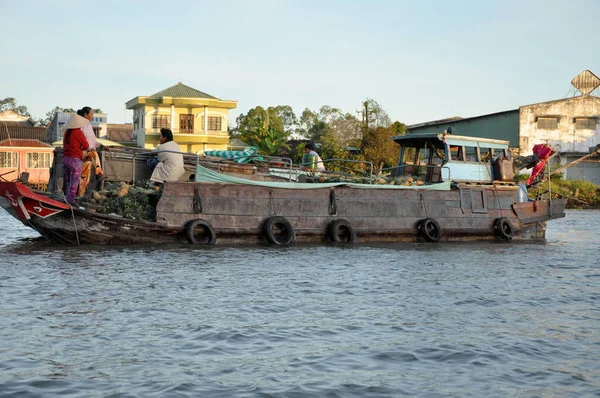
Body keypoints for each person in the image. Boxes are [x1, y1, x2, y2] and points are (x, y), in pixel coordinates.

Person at [77, 107, 107, 197]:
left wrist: (102, 146)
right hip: (82, 152)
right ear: (85, 115)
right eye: (91, 114)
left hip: (88, 155)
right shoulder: (80, 126)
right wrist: (89, 148)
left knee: (85, 176)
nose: (93, 116)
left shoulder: (89, 126)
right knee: (94, 153)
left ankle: (81, 195)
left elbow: (94, 142)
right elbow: (79, 140)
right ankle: (100, 173)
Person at [62, 114, 90, 206]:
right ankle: (70, 201)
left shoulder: (67, 132)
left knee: (68, 181)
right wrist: (80, 147)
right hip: (75, 160)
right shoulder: (78, 132)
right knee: (74, 182)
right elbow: (86, 146)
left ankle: (67, 199)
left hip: (65, 159)